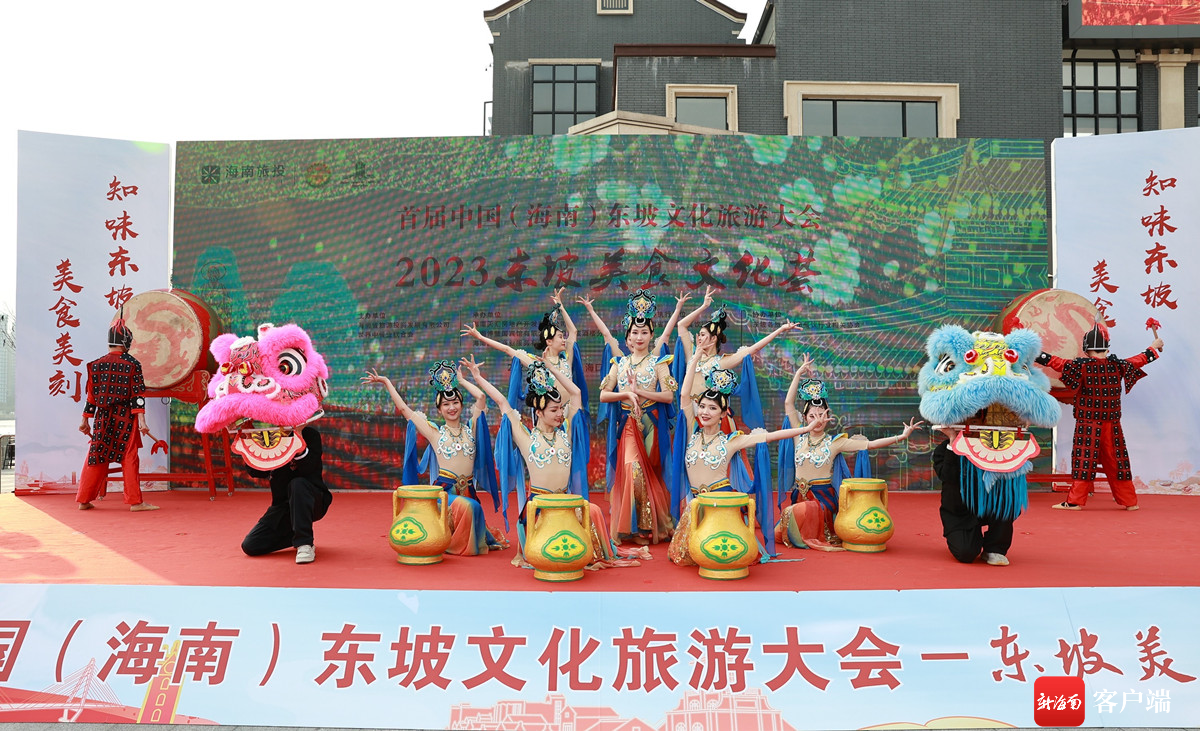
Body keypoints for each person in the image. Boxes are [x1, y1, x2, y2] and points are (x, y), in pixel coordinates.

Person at [461, 355, 641, 568]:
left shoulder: (566, 432)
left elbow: (576, 393)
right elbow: (502, 402)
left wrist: (552, 370)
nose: (559, 414)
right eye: (554, 410)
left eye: (561, 409)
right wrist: (477, 377)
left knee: (593, 511)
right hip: (540, 509)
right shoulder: (527, 438)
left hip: (565, 503)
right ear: (539, 412)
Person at [667, 351, 813, 565]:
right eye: (703, 406)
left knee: (721, 555)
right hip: (696, 505)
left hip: (722, 504)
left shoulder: (730, 441)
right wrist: (695, 359)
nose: (705, 412)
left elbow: (769, 436)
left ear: (723, 413)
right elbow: (683, 395)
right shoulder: (692, 432)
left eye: (712, 408)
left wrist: (806, 429)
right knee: (683, 556)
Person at [362, 361, 505, 555]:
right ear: (439, 410)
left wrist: (463, 380)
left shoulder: (471, 428)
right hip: (445, 493)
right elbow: (404, 410)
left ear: (462, 405)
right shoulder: (435, 433)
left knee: (472, 505)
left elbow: (480, 397)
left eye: (455, 402)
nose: (451, 407)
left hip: (468, 491)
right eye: (446, 404)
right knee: (471, 507)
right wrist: (386, 382)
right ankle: (457, 546)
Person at [774, 366, 922, 550]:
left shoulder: (835, 442)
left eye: (821, 415)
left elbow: (870, 445)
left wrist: (901, 436)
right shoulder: (799, 436)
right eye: (812, 416)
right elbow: (788, 403)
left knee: (792, 515)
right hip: (800, 496)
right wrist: (798, 373)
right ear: (804, 418)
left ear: (828, 416)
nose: (817, 420)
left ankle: (817, 526)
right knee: (778, 535)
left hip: (822, 500)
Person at [1037, 323, 1163, 511]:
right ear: (1107, 348)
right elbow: (1141, 359)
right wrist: (1154, 346)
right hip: (1112, 425)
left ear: (1087, 349)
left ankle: (1074, 502)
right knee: (1117, 461)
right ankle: (1130, 501)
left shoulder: (1080, 366)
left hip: (1088, 424)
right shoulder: (1118, 365)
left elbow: (1055, 361)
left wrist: (1034, 353)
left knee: (1084, 461)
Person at [596, 289, 684, 545]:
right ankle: (634, 527)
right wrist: (626, 393)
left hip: (652, 423)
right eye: (635, 332)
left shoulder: (659, 362)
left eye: (644, 332)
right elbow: (603, 395)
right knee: (633, 469)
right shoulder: (619, 363)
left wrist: (640, 392)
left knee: (651, 472)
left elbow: (668, 396)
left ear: (651, 335)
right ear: (627, 337)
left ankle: (651, 526)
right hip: (628, 423)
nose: (639, 337)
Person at [75, 318, 159, 512]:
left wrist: (84, 420)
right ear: (126, 342)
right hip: (125, 417)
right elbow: (137, 396)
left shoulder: (96, 365)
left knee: (96, 455)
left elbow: (91, 396)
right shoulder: (133, 364)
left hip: (102, 417)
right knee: (129, 457)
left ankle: (83, 500)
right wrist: (142, 421)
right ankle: (135, 502)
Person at [241, 425, 332, 564]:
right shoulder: (269, 437)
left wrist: (298, 439)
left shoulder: (309, 434)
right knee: (251, 546)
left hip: (312, 499)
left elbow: (309, 468)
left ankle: (304, 543)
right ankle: (295, 534)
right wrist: (250, 444)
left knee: (297, 484)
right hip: (283, 506)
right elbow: (257, 472)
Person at [932, 426, 1013, 566]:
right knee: (966, 553)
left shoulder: (993, 447)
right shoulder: (943, 449)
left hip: (987, 505)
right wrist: (953, 440)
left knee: (1007, 501)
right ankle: (973, 538)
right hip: (960, 512)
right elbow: (948, 476)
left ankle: (994, 548)